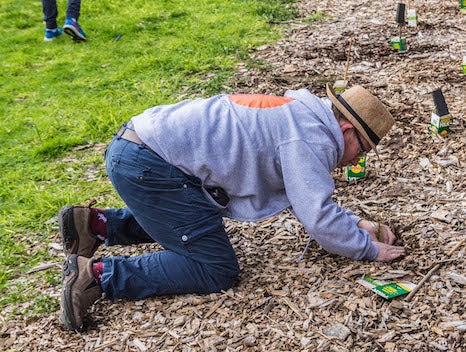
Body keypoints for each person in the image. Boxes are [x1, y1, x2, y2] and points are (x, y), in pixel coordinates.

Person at [59, 84, 406, 331]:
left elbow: (310, 198)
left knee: (186, 216)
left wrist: (356, 222)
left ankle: (95, 225)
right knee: (214, 268)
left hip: (140, 147)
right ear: (346, 130)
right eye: (359, 152)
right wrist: (366, 249)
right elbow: (316, 216)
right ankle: (96, 277)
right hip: (150, 165)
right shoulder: (310, 138)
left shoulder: (303, 117)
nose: (351, 162)